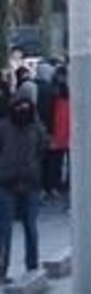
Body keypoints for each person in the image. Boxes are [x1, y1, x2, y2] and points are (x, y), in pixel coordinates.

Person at [0, 91, 47, 283]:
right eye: (18, 106)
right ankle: (2, 270)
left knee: (30, 226)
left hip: (31, 183)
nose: (22, 110)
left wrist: (33, 169)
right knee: (5, 229)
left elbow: (42, 150)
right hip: (5, 183)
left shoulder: (37, 128)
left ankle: (32, 265)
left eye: (26, 106)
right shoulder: (3, 127)